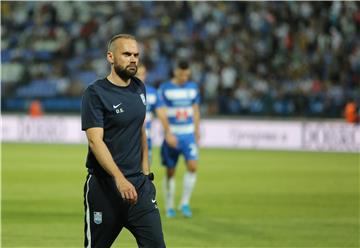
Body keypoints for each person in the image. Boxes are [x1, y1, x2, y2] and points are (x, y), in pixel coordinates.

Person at [81, 34, 165, 248]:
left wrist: (146, 175)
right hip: (105, 188)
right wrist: (119, 178)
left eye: (136, 55)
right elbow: (95, 141)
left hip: (139, 188)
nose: (133, 59)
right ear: (111, 57)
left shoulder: (139, 88)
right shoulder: (95, 93)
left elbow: (140, 130)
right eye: (126, 54)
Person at [156, 60, 201, 218]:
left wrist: (197, 129)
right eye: (182, 74)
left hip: (188, 134)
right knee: (170, 171)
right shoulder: (165, 89)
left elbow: (195, 109)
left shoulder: (193, 88)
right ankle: (169, 206)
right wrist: (168, 132)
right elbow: (161, 112)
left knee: (193, 166)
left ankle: (184, 203)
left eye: (187, 75)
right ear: (175, 72)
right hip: (173, 134)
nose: (184, 77)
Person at [136, 64, 161, 165]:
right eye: (137, 74)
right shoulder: (124, 91)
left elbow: (161, 112)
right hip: (129, 138)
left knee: (145, 170)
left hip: (147, 138)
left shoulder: (152, 92)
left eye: (142, 74)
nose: (140, 77)